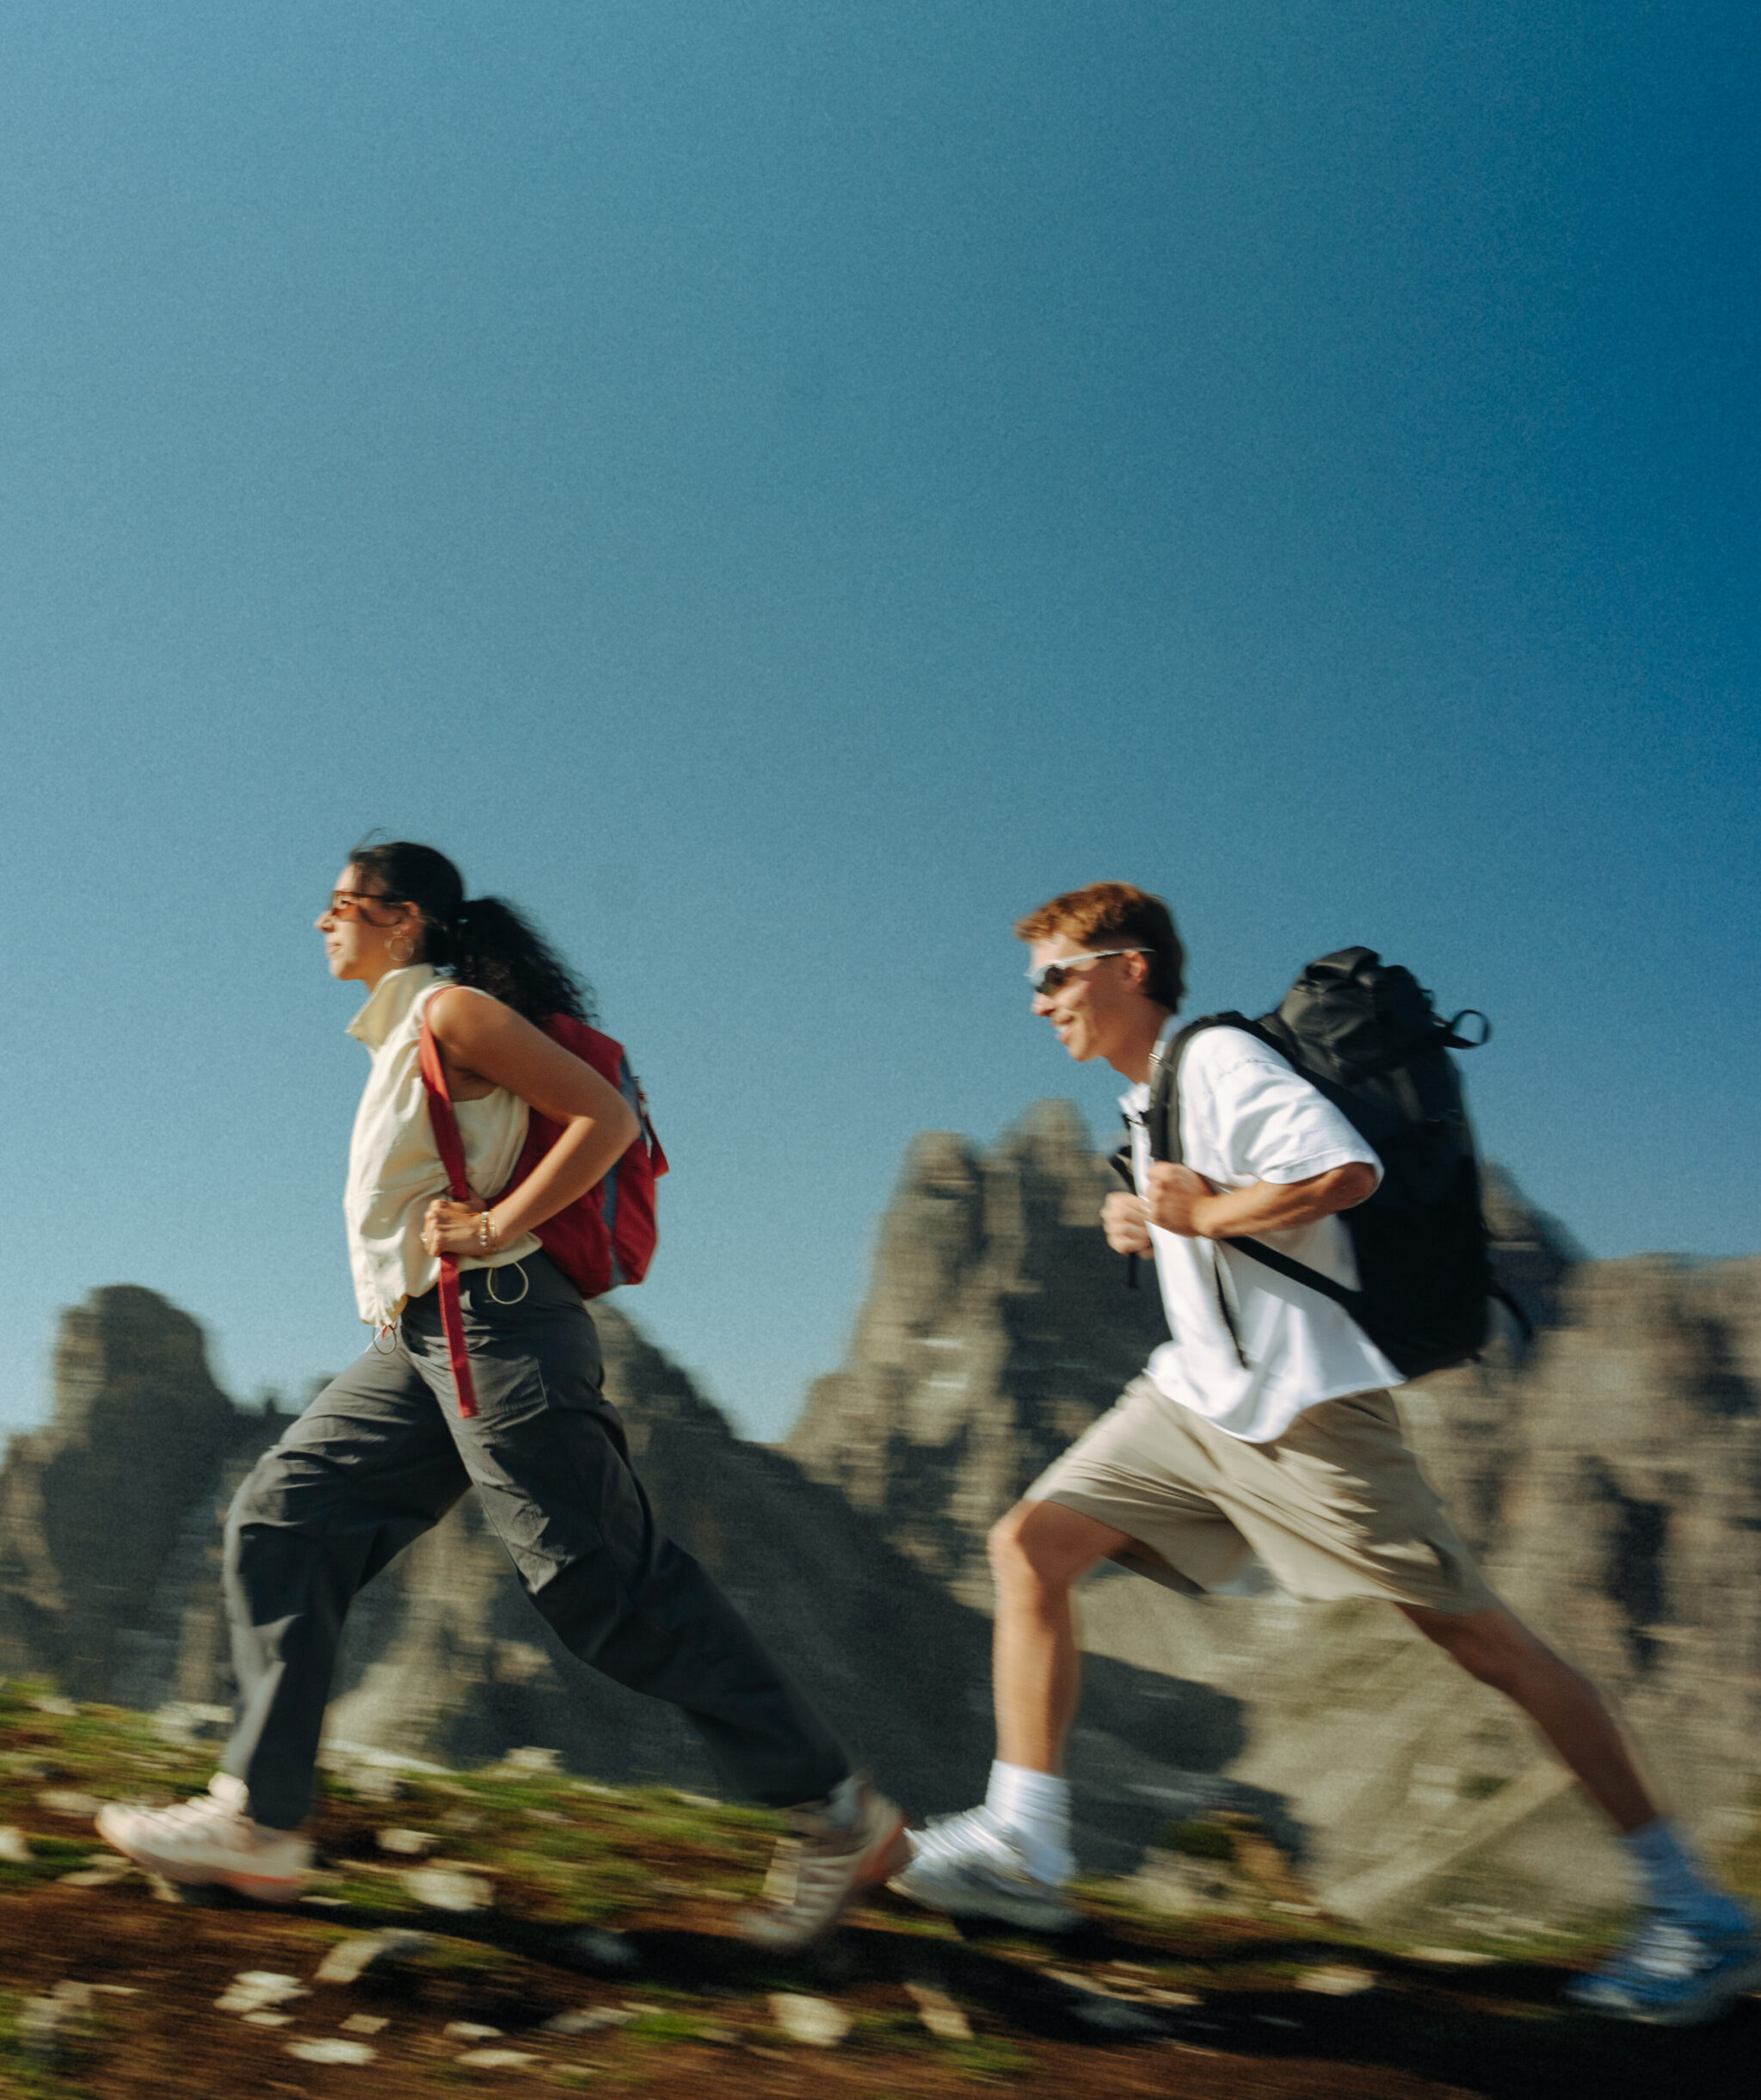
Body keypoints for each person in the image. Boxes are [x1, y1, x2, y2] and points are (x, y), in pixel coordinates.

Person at [893, 880, 1759, 2025]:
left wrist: (1195, 1218)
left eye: (1055, 974)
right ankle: (1024, 1843)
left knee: (1480, 1642)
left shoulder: (1214, 1062)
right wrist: (1148, 1220)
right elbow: (1212, 1215)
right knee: (1029, 1548)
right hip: (1197, 1404)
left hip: (1307, 1416)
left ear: (1130, 967)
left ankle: (1689, 1911)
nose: (1039, 1001)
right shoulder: (1144, 1102)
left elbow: (1344, 1172)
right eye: (1033, 983)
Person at [100, 842, 902, 1949]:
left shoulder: (453, 1013)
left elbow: (604, 1119)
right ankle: (262, 1822)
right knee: (284, 1519)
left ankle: (838, 1816)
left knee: (603, 1589)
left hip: (500, 1324)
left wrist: (493, 1222)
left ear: (405, 917)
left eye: (342, 905)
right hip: (425, 1341)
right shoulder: (402, 1034)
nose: (322, 923)